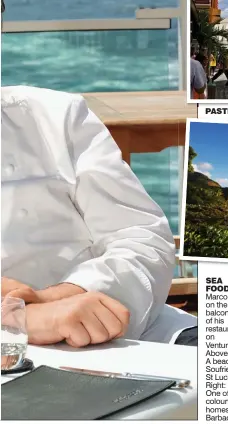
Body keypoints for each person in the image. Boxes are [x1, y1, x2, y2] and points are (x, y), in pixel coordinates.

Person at [1, 86, 197, 347]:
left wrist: (61, 295)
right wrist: (22, 320)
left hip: (130, 329)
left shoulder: (55, 115)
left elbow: (142, 236)